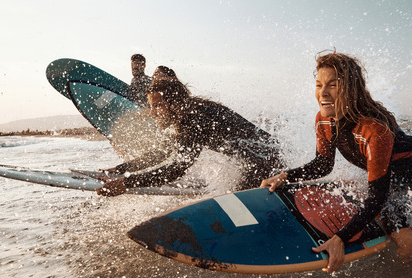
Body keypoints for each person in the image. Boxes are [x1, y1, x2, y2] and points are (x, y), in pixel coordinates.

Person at [261, 51, 412, 273]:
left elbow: (377, 196)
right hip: (390, 178)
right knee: (407, 245)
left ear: (350, 88)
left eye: (333, 85)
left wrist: (341, 238)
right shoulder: (323, 120)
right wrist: (285, 176)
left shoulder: (374, 128)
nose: (323, 93)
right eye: (319, 85)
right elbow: (323, 164)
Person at [99, 66, 286, 196]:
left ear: (175, 104)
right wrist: (121, 170)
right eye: (151, 106)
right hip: (260, 159)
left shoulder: (195, 119)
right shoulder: (188, 115)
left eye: (157, 105)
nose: (152, 113)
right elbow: (163, 153)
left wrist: (126, 184)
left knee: (233, 206)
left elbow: (176, 169)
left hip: (265, 160)